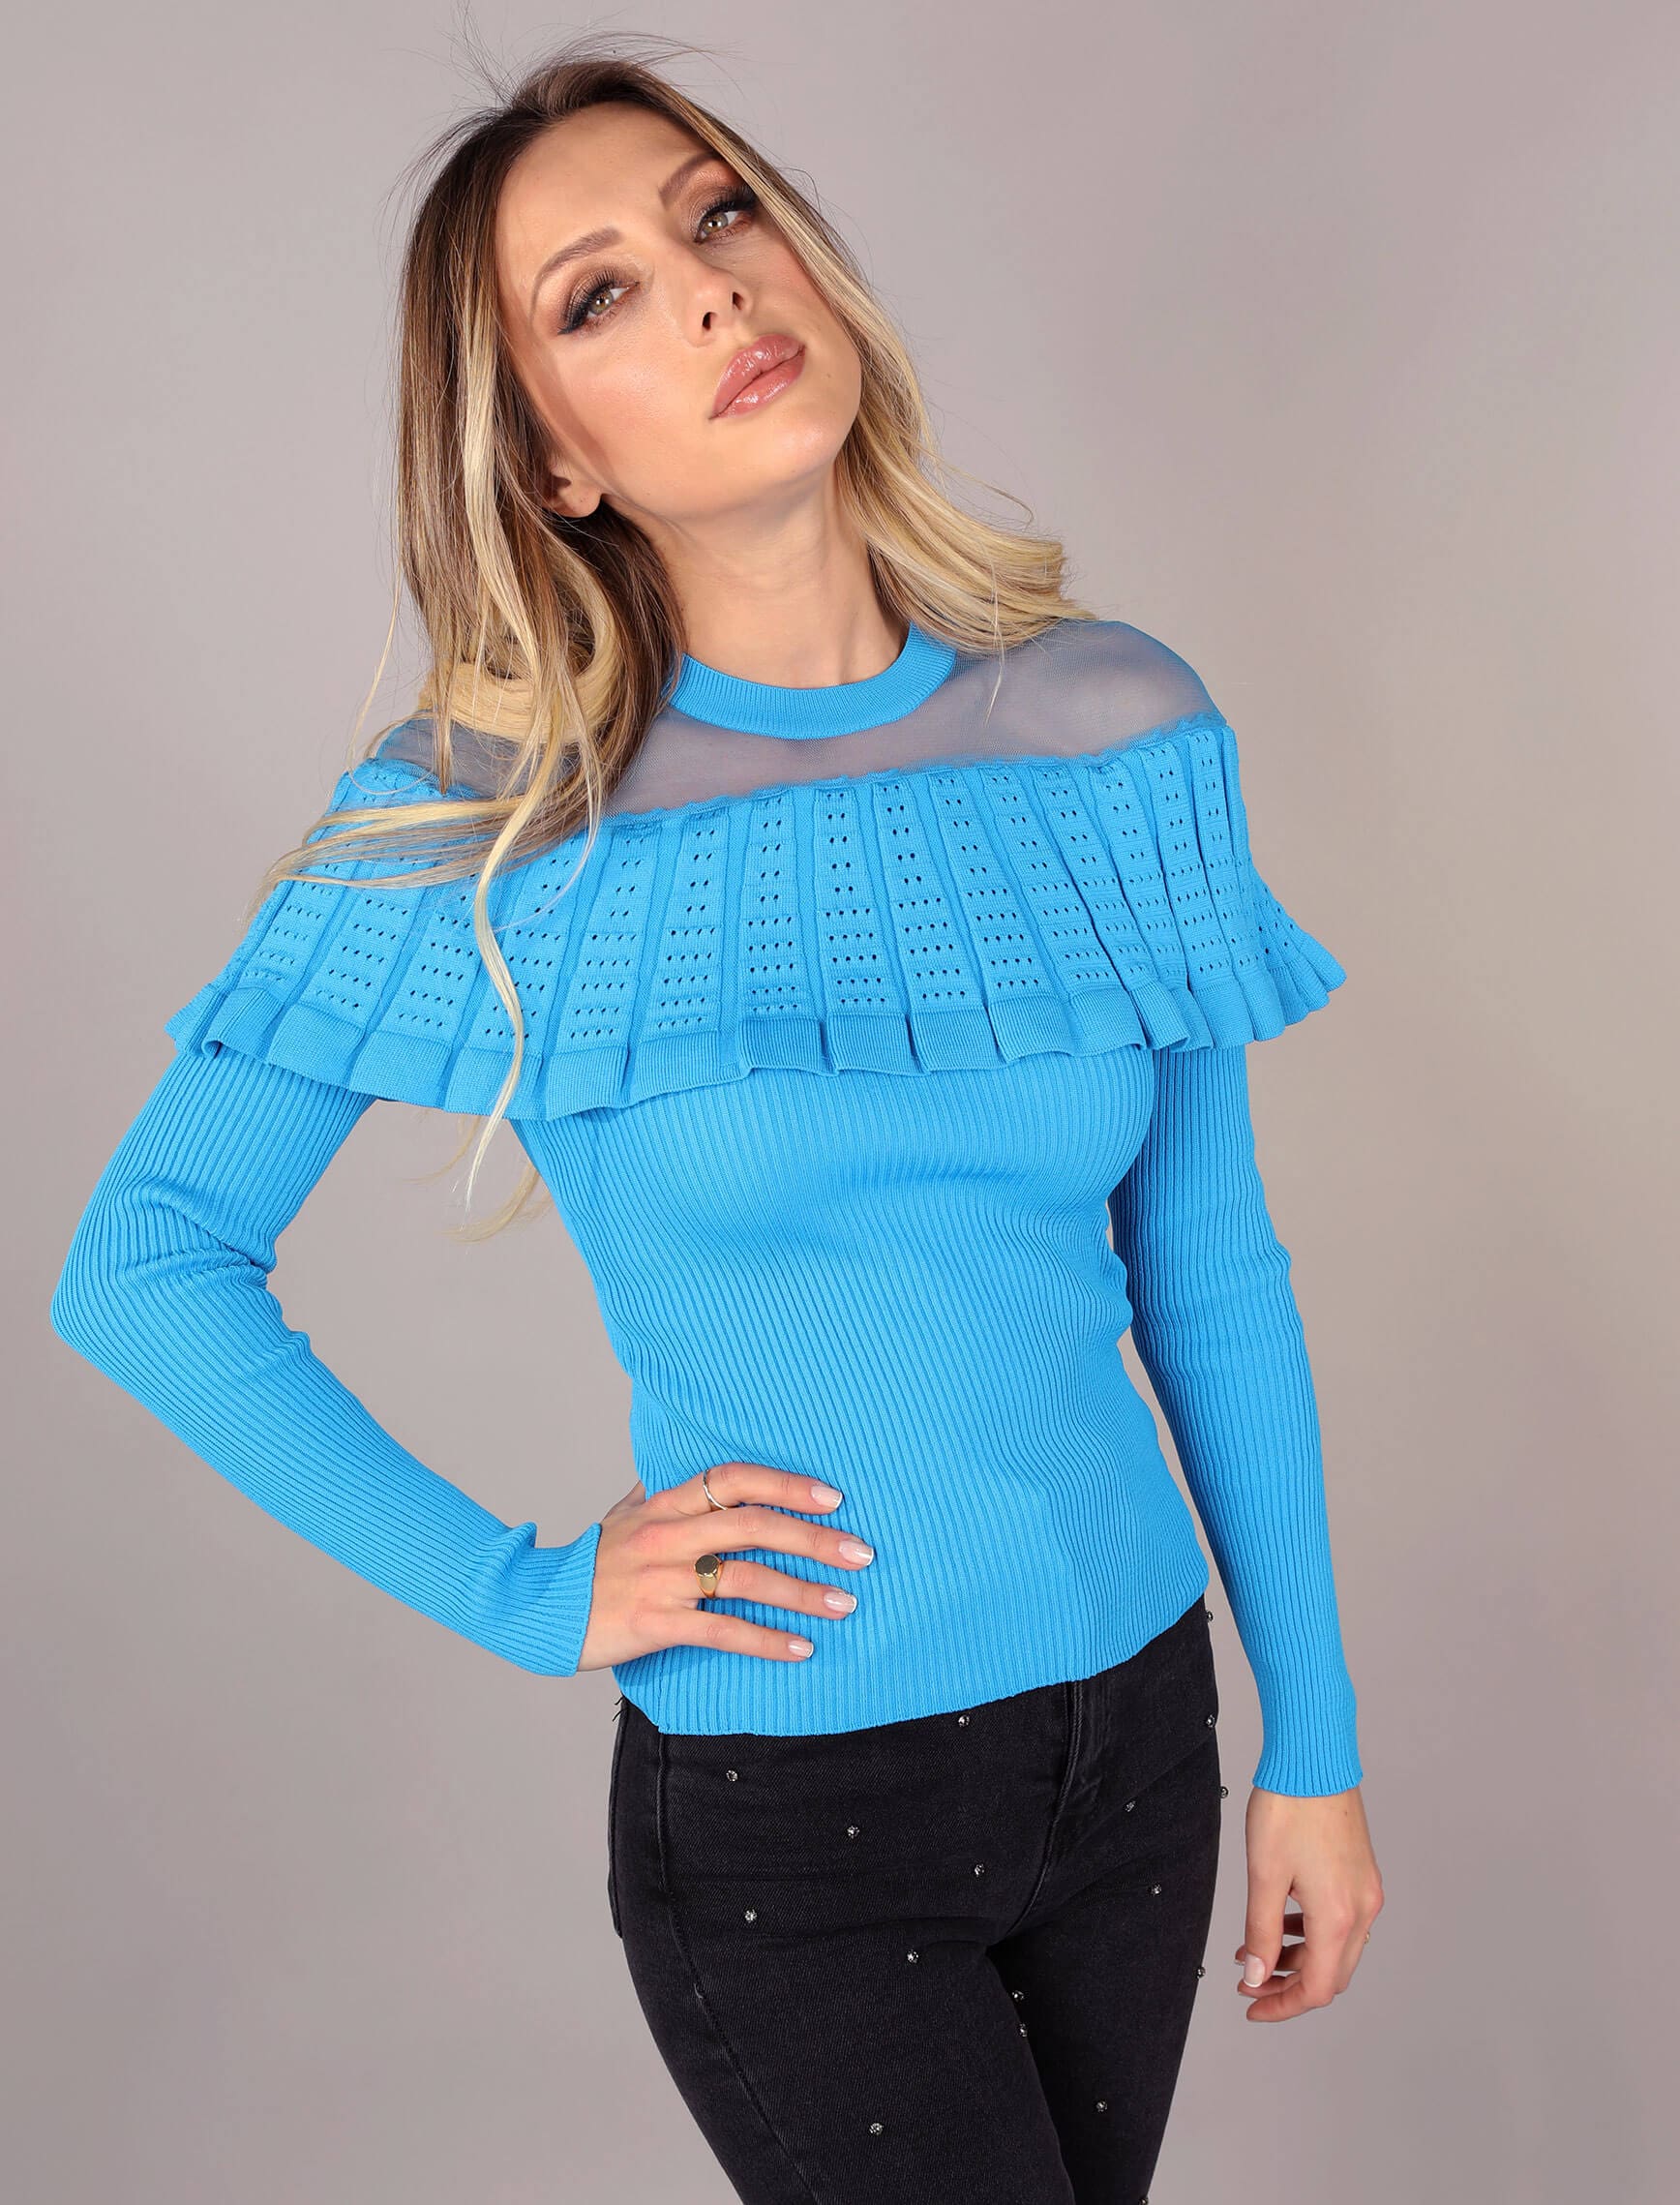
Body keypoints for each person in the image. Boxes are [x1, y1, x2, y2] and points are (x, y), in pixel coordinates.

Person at [50, 35, 1384, 2205]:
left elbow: (1210, 1269)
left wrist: (1311, 1740)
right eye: (598, 298)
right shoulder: (487, 826)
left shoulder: (1114, 725)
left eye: (717, 216)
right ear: (550, 459)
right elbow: (144, 1260)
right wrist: (521, 1590)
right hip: (804, 1817)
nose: (705, 293)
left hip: (1139, 1738)